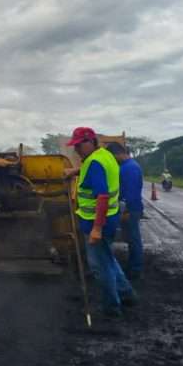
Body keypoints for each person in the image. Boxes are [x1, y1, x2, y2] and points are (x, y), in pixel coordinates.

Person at [64, 127, 137, 318]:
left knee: (99, 265)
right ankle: (127, 293)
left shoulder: (94, 162)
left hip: (97, 222)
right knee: (108, 258)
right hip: (110, 218)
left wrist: (96, 228)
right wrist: (75, 171)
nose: (76, 150)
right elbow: (95, 169)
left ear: (90, 142)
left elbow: (102, 196)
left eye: (79, 145)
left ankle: (112, 308)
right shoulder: (104, 155)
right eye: (75, 146)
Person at [106, 142, 144, 280]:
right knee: (131, 238)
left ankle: (135, 269)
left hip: (131, 209)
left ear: (117, 154)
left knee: (134, 239)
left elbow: (132, 192)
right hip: (130, 208)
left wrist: (126, 210)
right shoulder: (127, 166)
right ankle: (133, 266)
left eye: (112, 157)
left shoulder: (130, 168)